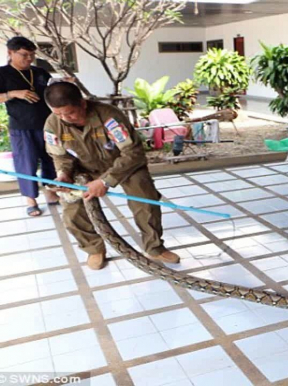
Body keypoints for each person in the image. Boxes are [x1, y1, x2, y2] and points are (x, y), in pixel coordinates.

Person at [43, 81, 180, 270]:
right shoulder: (53, 123)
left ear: (82, 103)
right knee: (71, 209)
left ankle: (154, 247)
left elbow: (132, 152)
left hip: (124, 165)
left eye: (70, 112)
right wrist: (63, 174)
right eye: (59, 114)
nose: (65, 118)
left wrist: (106, 181)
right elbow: (59, 155)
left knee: (145, 200)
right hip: (83, 169)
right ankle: (94, 249)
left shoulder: (109, 117)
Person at [0, 36, 59, 216]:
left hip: (47, 124)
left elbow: (50, 91)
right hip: (21, 126)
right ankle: (30, 199)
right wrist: (14, 94)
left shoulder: (40, 72)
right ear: (10, 53)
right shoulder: (2, 73)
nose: (29, 58)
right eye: (24, 55)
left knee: (51, 159)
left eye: (32, 54)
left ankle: (51, 191)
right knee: (26, 162)